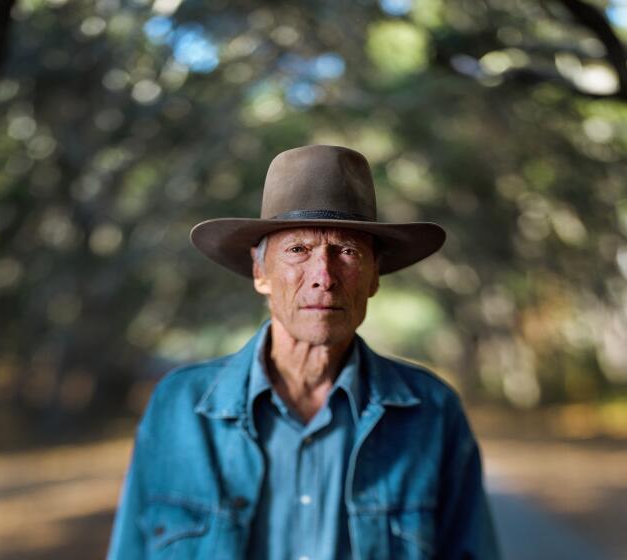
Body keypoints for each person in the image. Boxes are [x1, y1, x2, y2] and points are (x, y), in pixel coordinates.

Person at [108, 145, 500, 559]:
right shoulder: (180, 407)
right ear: (260, 273)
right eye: (298, 250)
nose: (324, 277)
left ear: (373, 278)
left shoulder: (432, 412)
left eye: (347, 251)